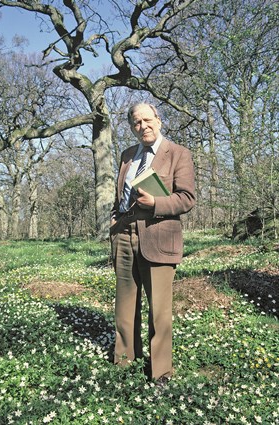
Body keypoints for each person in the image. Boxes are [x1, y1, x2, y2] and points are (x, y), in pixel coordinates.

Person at [110, 102, 195, 382]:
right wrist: (114, 221)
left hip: (159, 237)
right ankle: (124, 362)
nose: (143, 126)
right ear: (132, 126)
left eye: (148, 120)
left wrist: (156, 202)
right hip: (124, 235)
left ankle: (161, 373)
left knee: (159, 311)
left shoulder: (178, 154)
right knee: (124, 307)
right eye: (136, 122)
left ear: (159, 120)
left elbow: (187, 198)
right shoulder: (126, 156)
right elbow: (119, 197)